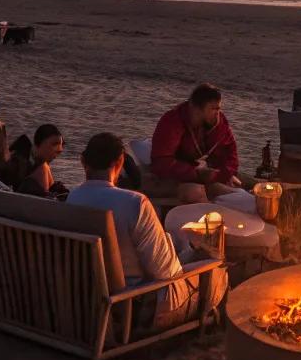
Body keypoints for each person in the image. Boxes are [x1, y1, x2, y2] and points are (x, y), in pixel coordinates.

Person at [67, 133, 224, 326]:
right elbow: (166, 272)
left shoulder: (73, 198)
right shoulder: (134, 203)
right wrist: (188, 255)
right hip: (135, 308)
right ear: (120, 161)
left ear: (83, 161)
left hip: (93, 300)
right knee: (216, 270)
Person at [150, 83, 241, 201]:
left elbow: (231, 155)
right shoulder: (172, 122)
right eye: (213, 109)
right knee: (197, 192)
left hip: (203, 174)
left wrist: (223, 175)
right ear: (196, 108)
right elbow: (161, 163)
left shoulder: (219, 123)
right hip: (174, 178)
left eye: (219, 108)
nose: (218, 113)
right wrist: (197, 174)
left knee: (248, 185)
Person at [16, 123, 68, 199]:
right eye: (54, 144)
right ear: (37, 145)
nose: (59, 149)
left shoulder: (44, 166)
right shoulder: (20, 164)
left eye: (61, 144)